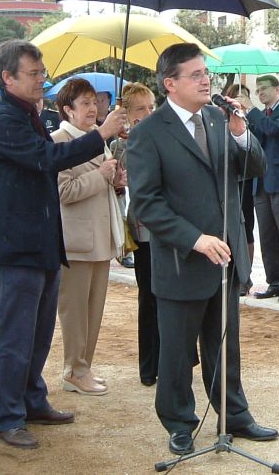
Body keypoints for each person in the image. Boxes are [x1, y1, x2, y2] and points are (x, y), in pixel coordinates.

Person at [126, 43, 277, 457]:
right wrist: (194, 238)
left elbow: (253, 169)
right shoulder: (148, 133)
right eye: (194, 75)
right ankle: (179, 421)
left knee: (225, 341)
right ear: (170, 83)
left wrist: (241, 131)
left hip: (225, 256)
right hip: (182, 259)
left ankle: (234, 414)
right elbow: (146, 203)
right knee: (177, 349)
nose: (205, 79)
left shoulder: (216, 118)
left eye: (205, 73)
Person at [0, 39, 127, 449]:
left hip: (41, 242)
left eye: (43, 73)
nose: (42, 80)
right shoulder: (1, 119)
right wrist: (101, 134)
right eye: (34, 74)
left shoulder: (29, 115)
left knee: (39, 332)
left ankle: (32, 400)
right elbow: (47, 159)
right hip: (14, 246)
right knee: (13, 335)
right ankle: (8, 418)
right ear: (8, 78)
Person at [52, 78, 127, 396]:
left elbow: (103, 184)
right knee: (75, 310)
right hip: (76, 239)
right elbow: (64, 191)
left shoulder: (98, 141)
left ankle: (84, 367)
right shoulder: (60, 141)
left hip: (100, 237)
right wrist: (100, 176)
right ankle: (73, 368)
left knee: (94, 310)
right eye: (84, 103)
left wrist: (117, 181)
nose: (93, 108)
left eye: (94, 102)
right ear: (67, 110)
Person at [242, 74, 279, 303]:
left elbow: (274, 130)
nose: (260, 93)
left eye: (263, 89)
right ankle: (274, 282)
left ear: (278, 88)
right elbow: (255, 139)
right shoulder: (261, 115)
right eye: (257, 91)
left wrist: (251, 111)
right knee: (267, 237)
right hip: (261, 183)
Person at [119, 82, 160, 385]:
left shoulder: (167, 135)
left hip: (172, 231)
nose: (148, 113)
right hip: (144, 230)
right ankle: (148, 364)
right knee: (148, 297)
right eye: (140, 109)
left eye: (151, 107)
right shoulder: (121, 144)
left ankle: (182, 358)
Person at [223, 83, 256, 296]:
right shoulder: (218, 119)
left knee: (247, 227)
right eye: (237, 96)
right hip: (227, 181)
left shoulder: (247, 119)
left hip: (245, 180)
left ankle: (246, 275)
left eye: (244, 95)